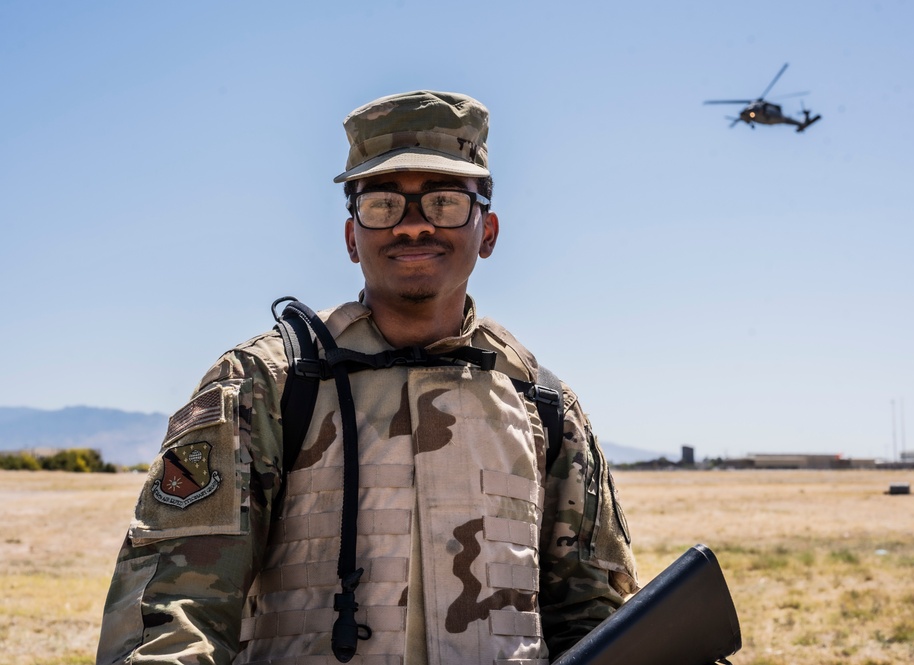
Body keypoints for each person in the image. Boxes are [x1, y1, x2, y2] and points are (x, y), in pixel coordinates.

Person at [97, 90, 638, 665]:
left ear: (489, 230)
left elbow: (594, 617)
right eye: (382, 204)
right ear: (352, 237)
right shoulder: (269, 382)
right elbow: (179, 609)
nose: (412, 227)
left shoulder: (543, 405)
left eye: (446, 202)